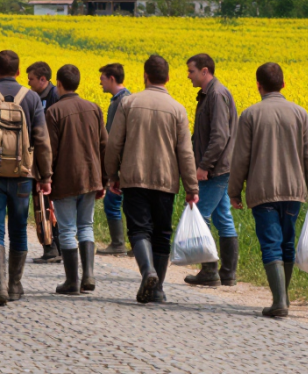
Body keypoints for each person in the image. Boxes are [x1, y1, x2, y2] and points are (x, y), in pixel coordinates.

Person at [229, 62, 308, 319]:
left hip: (263, 190)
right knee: (287, 243)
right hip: (294, 191)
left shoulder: (250, 114)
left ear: (258, 85)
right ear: (283, 84)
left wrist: (234, 191)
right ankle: (283, 297)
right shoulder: (300, 113)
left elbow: (240, 159)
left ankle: (279, 299)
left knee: (271, 244)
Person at [104, 55, 198, 304]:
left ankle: (148, 272)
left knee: (138, 229)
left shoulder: (129, 103)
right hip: (166, 180)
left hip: (134, 178)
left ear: (145, 76)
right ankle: (157, 290)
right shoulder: (177, 108)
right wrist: (191, 187)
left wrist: (112, 175)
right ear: (167, 78)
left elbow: (114, 143)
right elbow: (185, 153)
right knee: (162, 233)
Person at [0, 50, 53, 306]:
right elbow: (42, 140)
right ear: (18, 71)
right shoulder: (32, 98)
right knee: (18, 229)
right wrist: (45, 176)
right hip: (23, 176)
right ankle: (14, 285)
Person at [45, 64, 107, 295]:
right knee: (86, 226)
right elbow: (104, 145)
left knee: (67, 229)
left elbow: (49, 150)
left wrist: (45, 179)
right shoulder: (94, 108)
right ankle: (89, 275)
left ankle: (72, 281)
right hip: (91, 178)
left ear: (59, 84)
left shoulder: (53, 112)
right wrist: (105, 179)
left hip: (66, 179)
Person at [184, 54, 240, 287]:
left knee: (201, 215)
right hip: (221, 167)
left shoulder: (216, 94)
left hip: (216, 169)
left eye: (191, 71)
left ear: (205, 71)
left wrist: (204, 166)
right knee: (222, 216)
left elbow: (219, 136)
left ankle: (210, 271)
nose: (188, 75)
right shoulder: (212, 94)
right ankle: (227, 273)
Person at [27, 60, 62, 265]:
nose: (29, 83)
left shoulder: (53, 96)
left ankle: (54, 246)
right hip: (40, 156)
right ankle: (50, 246)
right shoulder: (35, 96)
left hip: (50, 158)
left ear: (43, 79)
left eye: (31, 79)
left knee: (48, 204)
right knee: (42, 204)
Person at [98, 63, 131, 256]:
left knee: (113, 202)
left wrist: (113, 168)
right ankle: (131, 244)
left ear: (111, 79)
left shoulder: (122, 101)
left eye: (102, 78)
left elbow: (117, 137)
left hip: (123, 163)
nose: (99, 82)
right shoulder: (121, 99)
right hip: (124, 162)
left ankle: (119, 243)